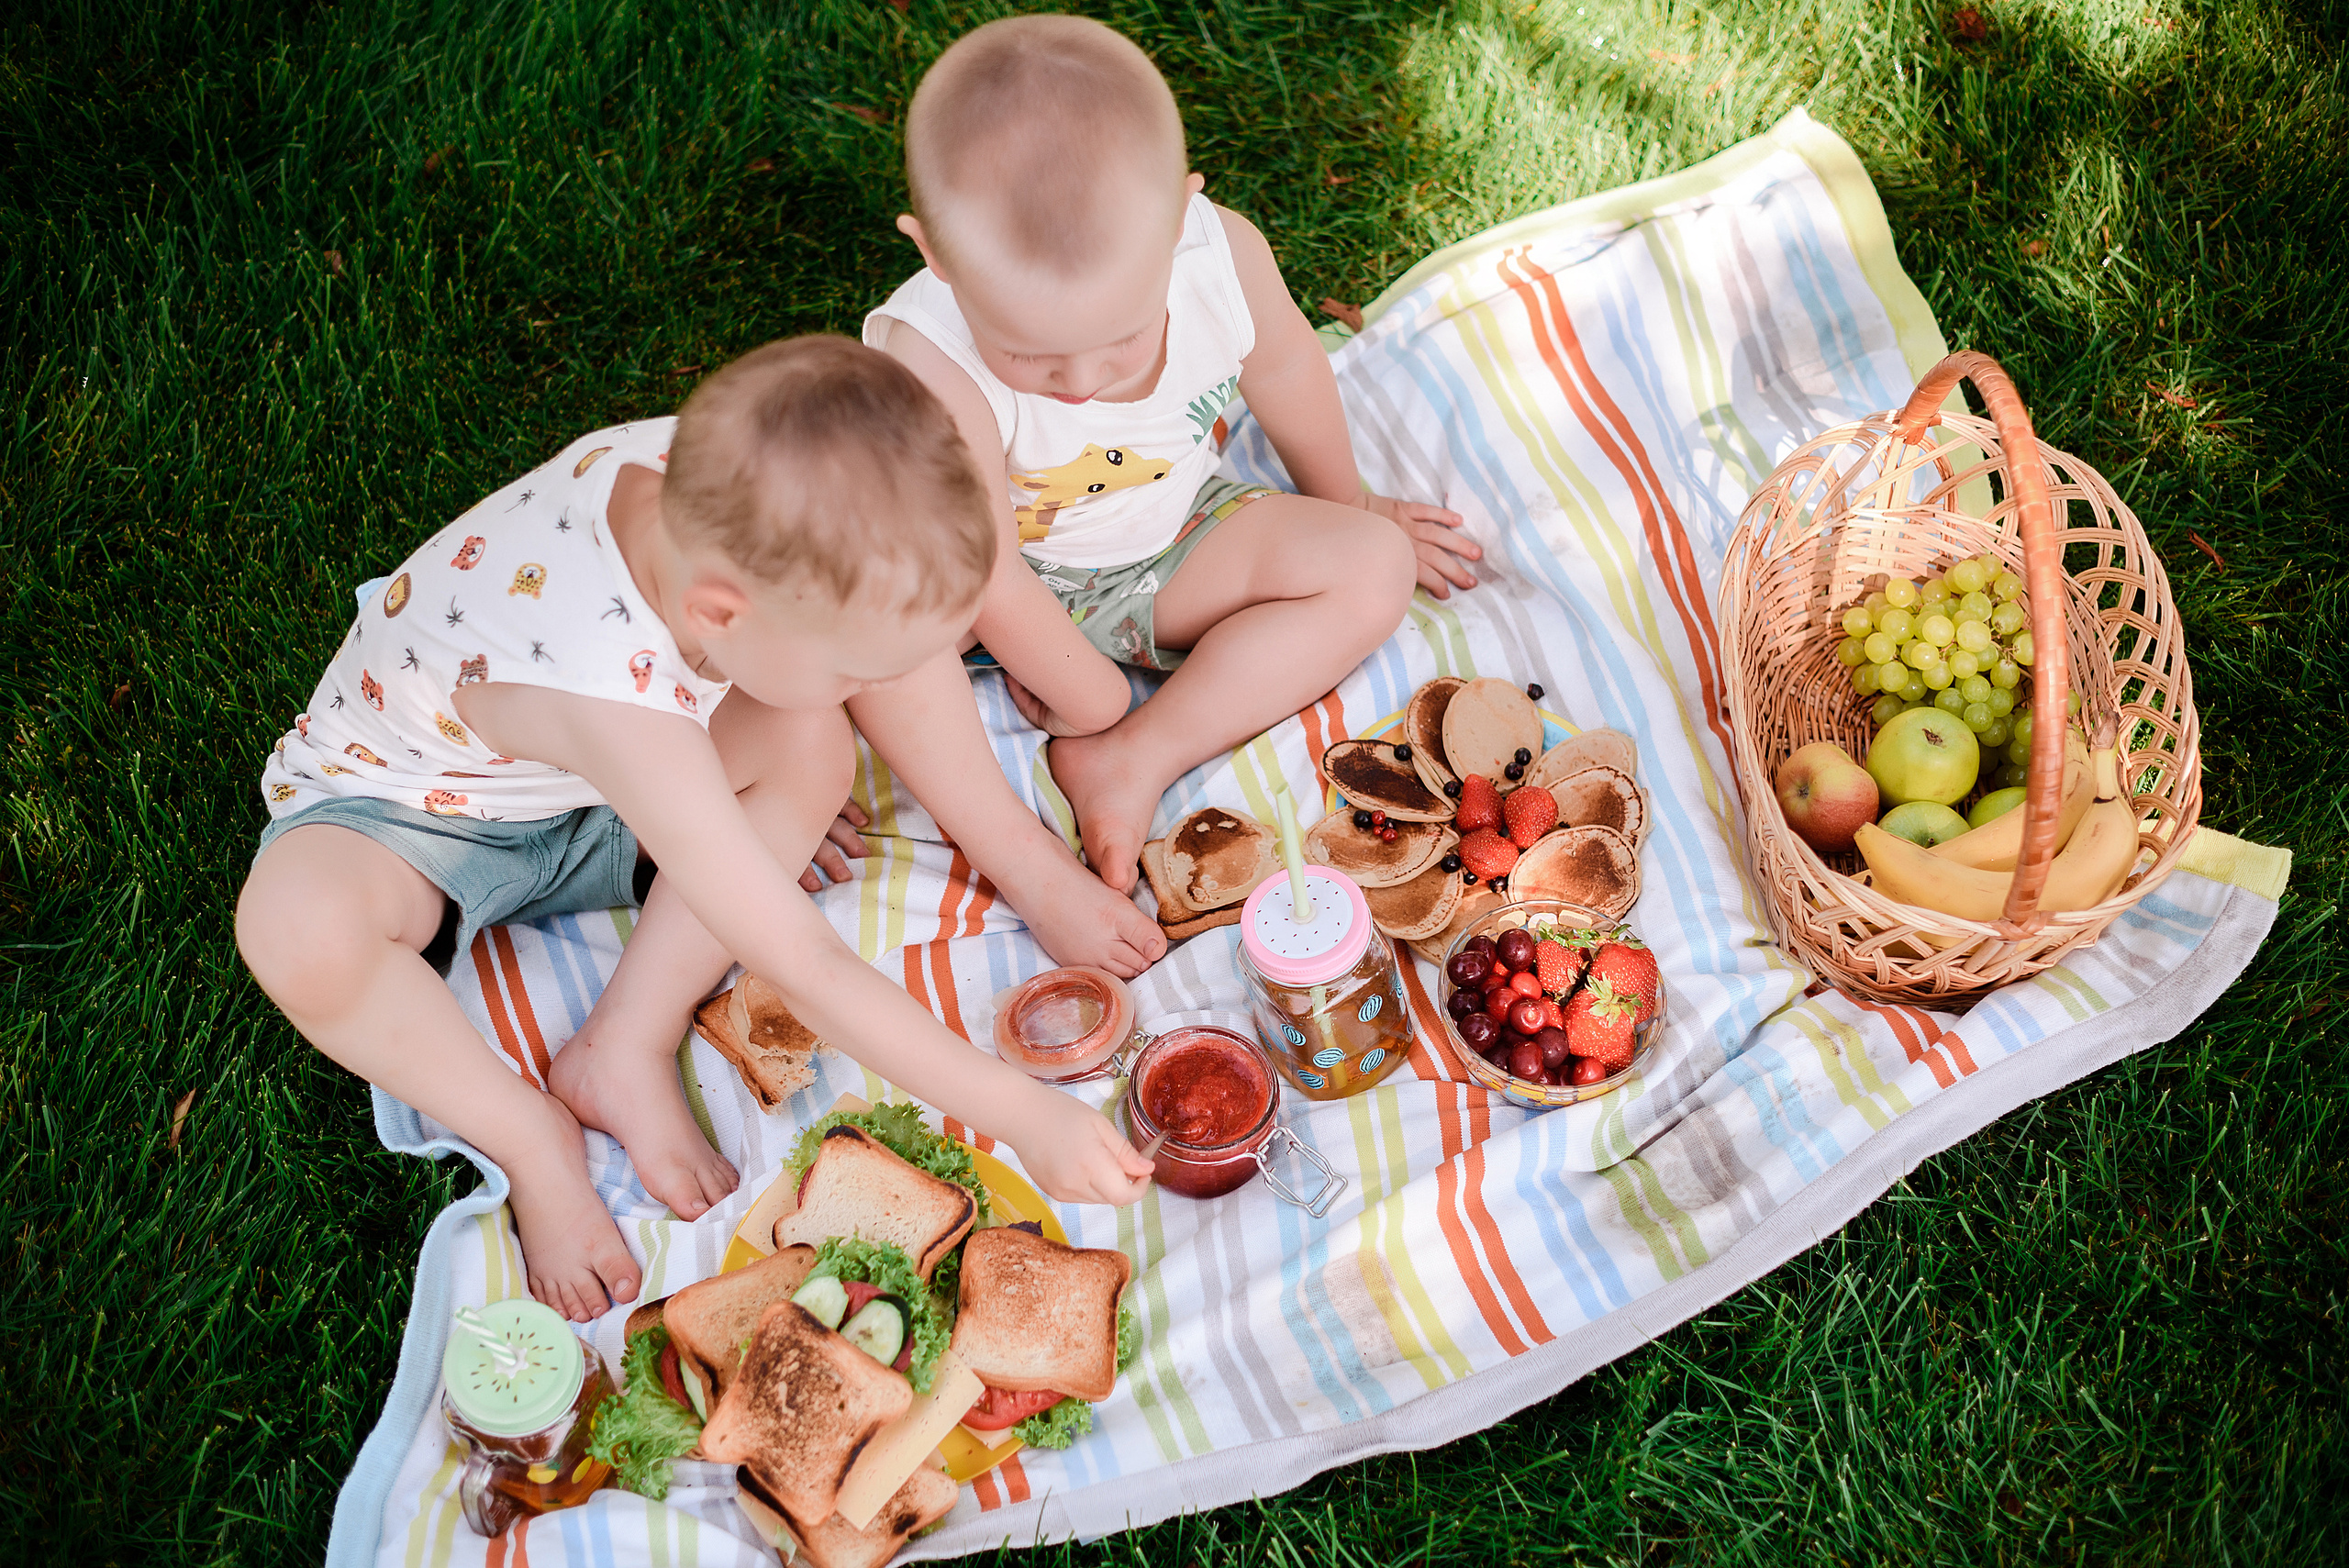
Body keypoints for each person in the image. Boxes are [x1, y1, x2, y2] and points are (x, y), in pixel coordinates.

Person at [235, 338, 1154, 1322]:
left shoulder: (755, 493)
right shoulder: (614, 693)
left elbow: (867, 638)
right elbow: (805, 961)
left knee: (811, 742)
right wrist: (1022, 1113)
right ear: (720, 613)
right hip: (420, 822)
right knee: (297, 927)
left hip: (599, 794)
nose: (872, 691)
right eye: (858, 671)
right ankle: (532, 1137)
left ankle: (621, 1042)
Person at [855, 14, 1479, 895]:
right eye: (1029, 354)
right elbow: (987, 570)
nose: (1081, 381)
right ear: (937, 257)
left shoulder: (1219, 259)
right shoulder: (932, 360)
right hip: (977, 586)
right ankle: (1049, 778)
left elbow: (1287, 368)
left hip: (1166, 544)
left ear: (1182, 217)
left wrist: (1352, 501)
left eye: (1122, 337)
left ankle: (1134, 756)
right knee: (859, 624)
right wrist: (1091, 694)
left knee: (1373, 565)